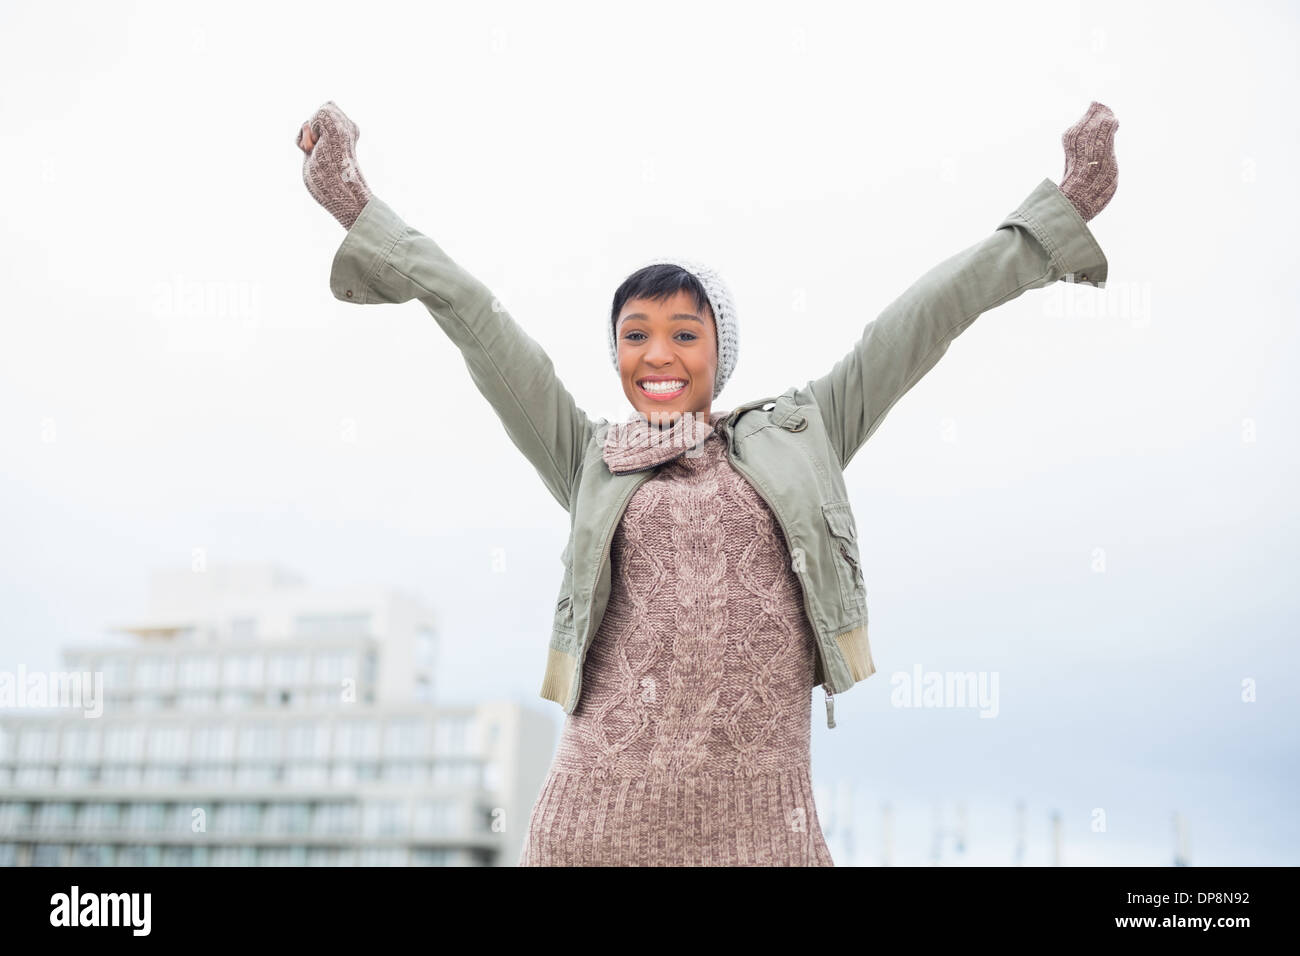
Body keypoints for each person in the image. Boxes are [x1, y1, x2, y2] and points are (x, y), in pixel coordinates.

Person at [296, 100, 1118, 866]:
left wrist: (1063, 208)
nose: (658, 354)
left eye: (683, 333)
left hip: (765, 832)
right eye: (636, 335)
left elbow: (927, 314)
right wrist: (356, 204)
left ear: (719, 351)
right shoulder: (589, 457)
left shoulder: (807, 434)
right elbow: (475, 318)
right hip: (593, 825)